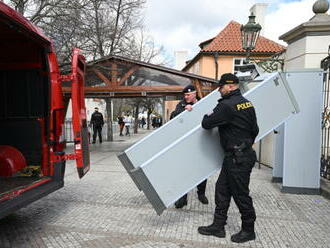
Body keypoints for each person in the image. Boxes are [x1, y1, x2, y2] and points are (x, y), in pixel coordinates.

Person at [197, 73, 259, 243]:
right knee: (222, 190)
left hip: (237, 158)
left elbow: (206, 123)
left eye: (221, 87)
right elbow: (255, 130)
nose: (219, 90)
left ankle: (248, 230)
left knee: (241, 195)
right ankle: (218, 226)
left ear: (231, 86)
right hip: (239, 155)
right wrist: (245, 143)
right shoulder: (247, 103)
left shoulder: (227, 105)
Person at [170, 84, 208, 208]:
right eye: (185, 95)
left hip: (201, 142)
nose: (186, 97)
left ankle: (201, 193)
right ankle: (183, 198)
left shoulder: (203, 103)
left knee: (202, 170)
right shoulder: (181, 105)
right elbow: (173, 116)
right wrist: (184, 111)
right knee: (184, 170)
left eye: (188, 95)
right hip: (186, 144)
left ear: (194, 93)